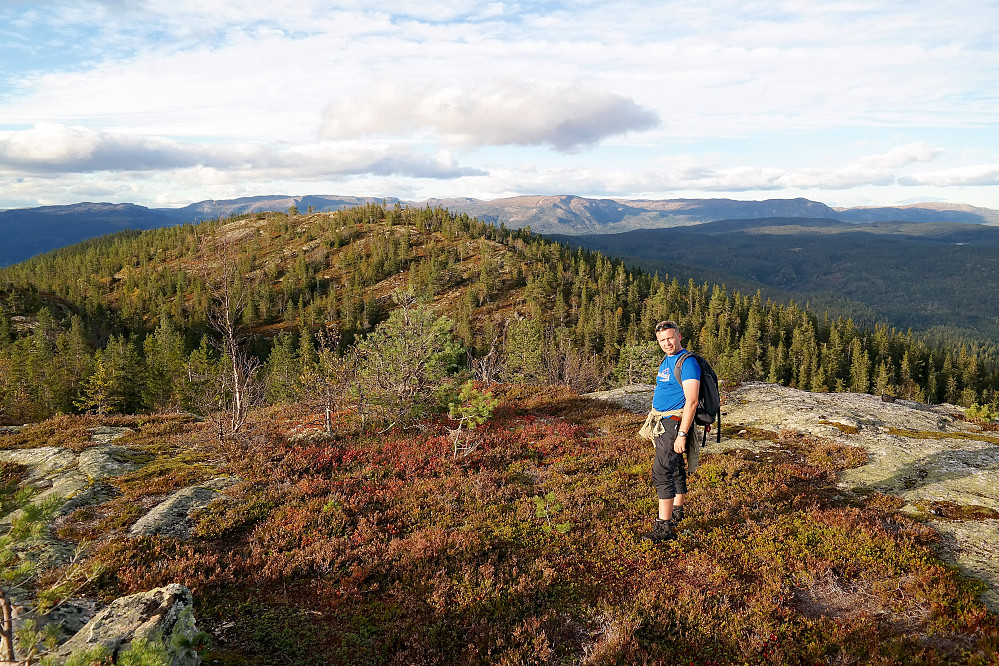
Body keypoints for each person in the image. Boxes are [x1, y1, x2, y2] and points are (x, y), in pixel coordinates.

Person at [638, 320, 701, 543]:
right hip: (664, 422)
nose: (667, 343)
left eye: (670, 338)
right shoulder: (667, 360)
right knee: (674, 469)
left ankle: (663, 527)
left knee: (662, 471)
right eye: (662, 340)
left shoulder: (688, 363)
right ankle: (677, 512)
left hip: (674, 424)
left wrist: (682, 434)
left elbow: (692, 402)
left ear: (679, 336)